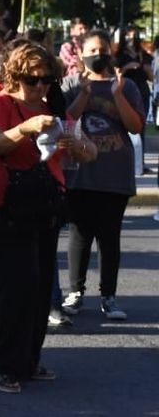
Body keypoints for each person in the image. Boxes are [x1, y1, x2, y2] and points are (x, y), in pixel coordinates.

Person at [0, 41, 97, 393]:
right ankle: (3, 363)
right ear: (15, 77)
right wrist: (26, 129)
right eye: (33, 80)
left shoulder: (55, 106)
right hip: (8, 203)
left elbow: (89, 150)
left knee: (40, 285)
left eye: (47, 79)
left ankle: (28, 360)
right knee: (13, 287)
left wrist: (76, 145)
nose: (41, 87)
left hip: (45, 203)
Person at [60, 30, 144, 321]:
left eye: (103, 49)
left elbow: (135, 126)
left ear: (111, 52)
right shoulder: (71, 84)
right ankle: (76, 292)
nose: (98, 55)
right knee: (79, 234)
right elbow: (65, 120)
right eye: (92, 50)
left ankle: (108, 295)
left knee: (110, 237)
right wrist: (83, 94)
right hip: (79, 172)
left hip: (115, 174)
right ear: (81, 54)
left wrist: (117, 95)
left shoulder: (126, 85)